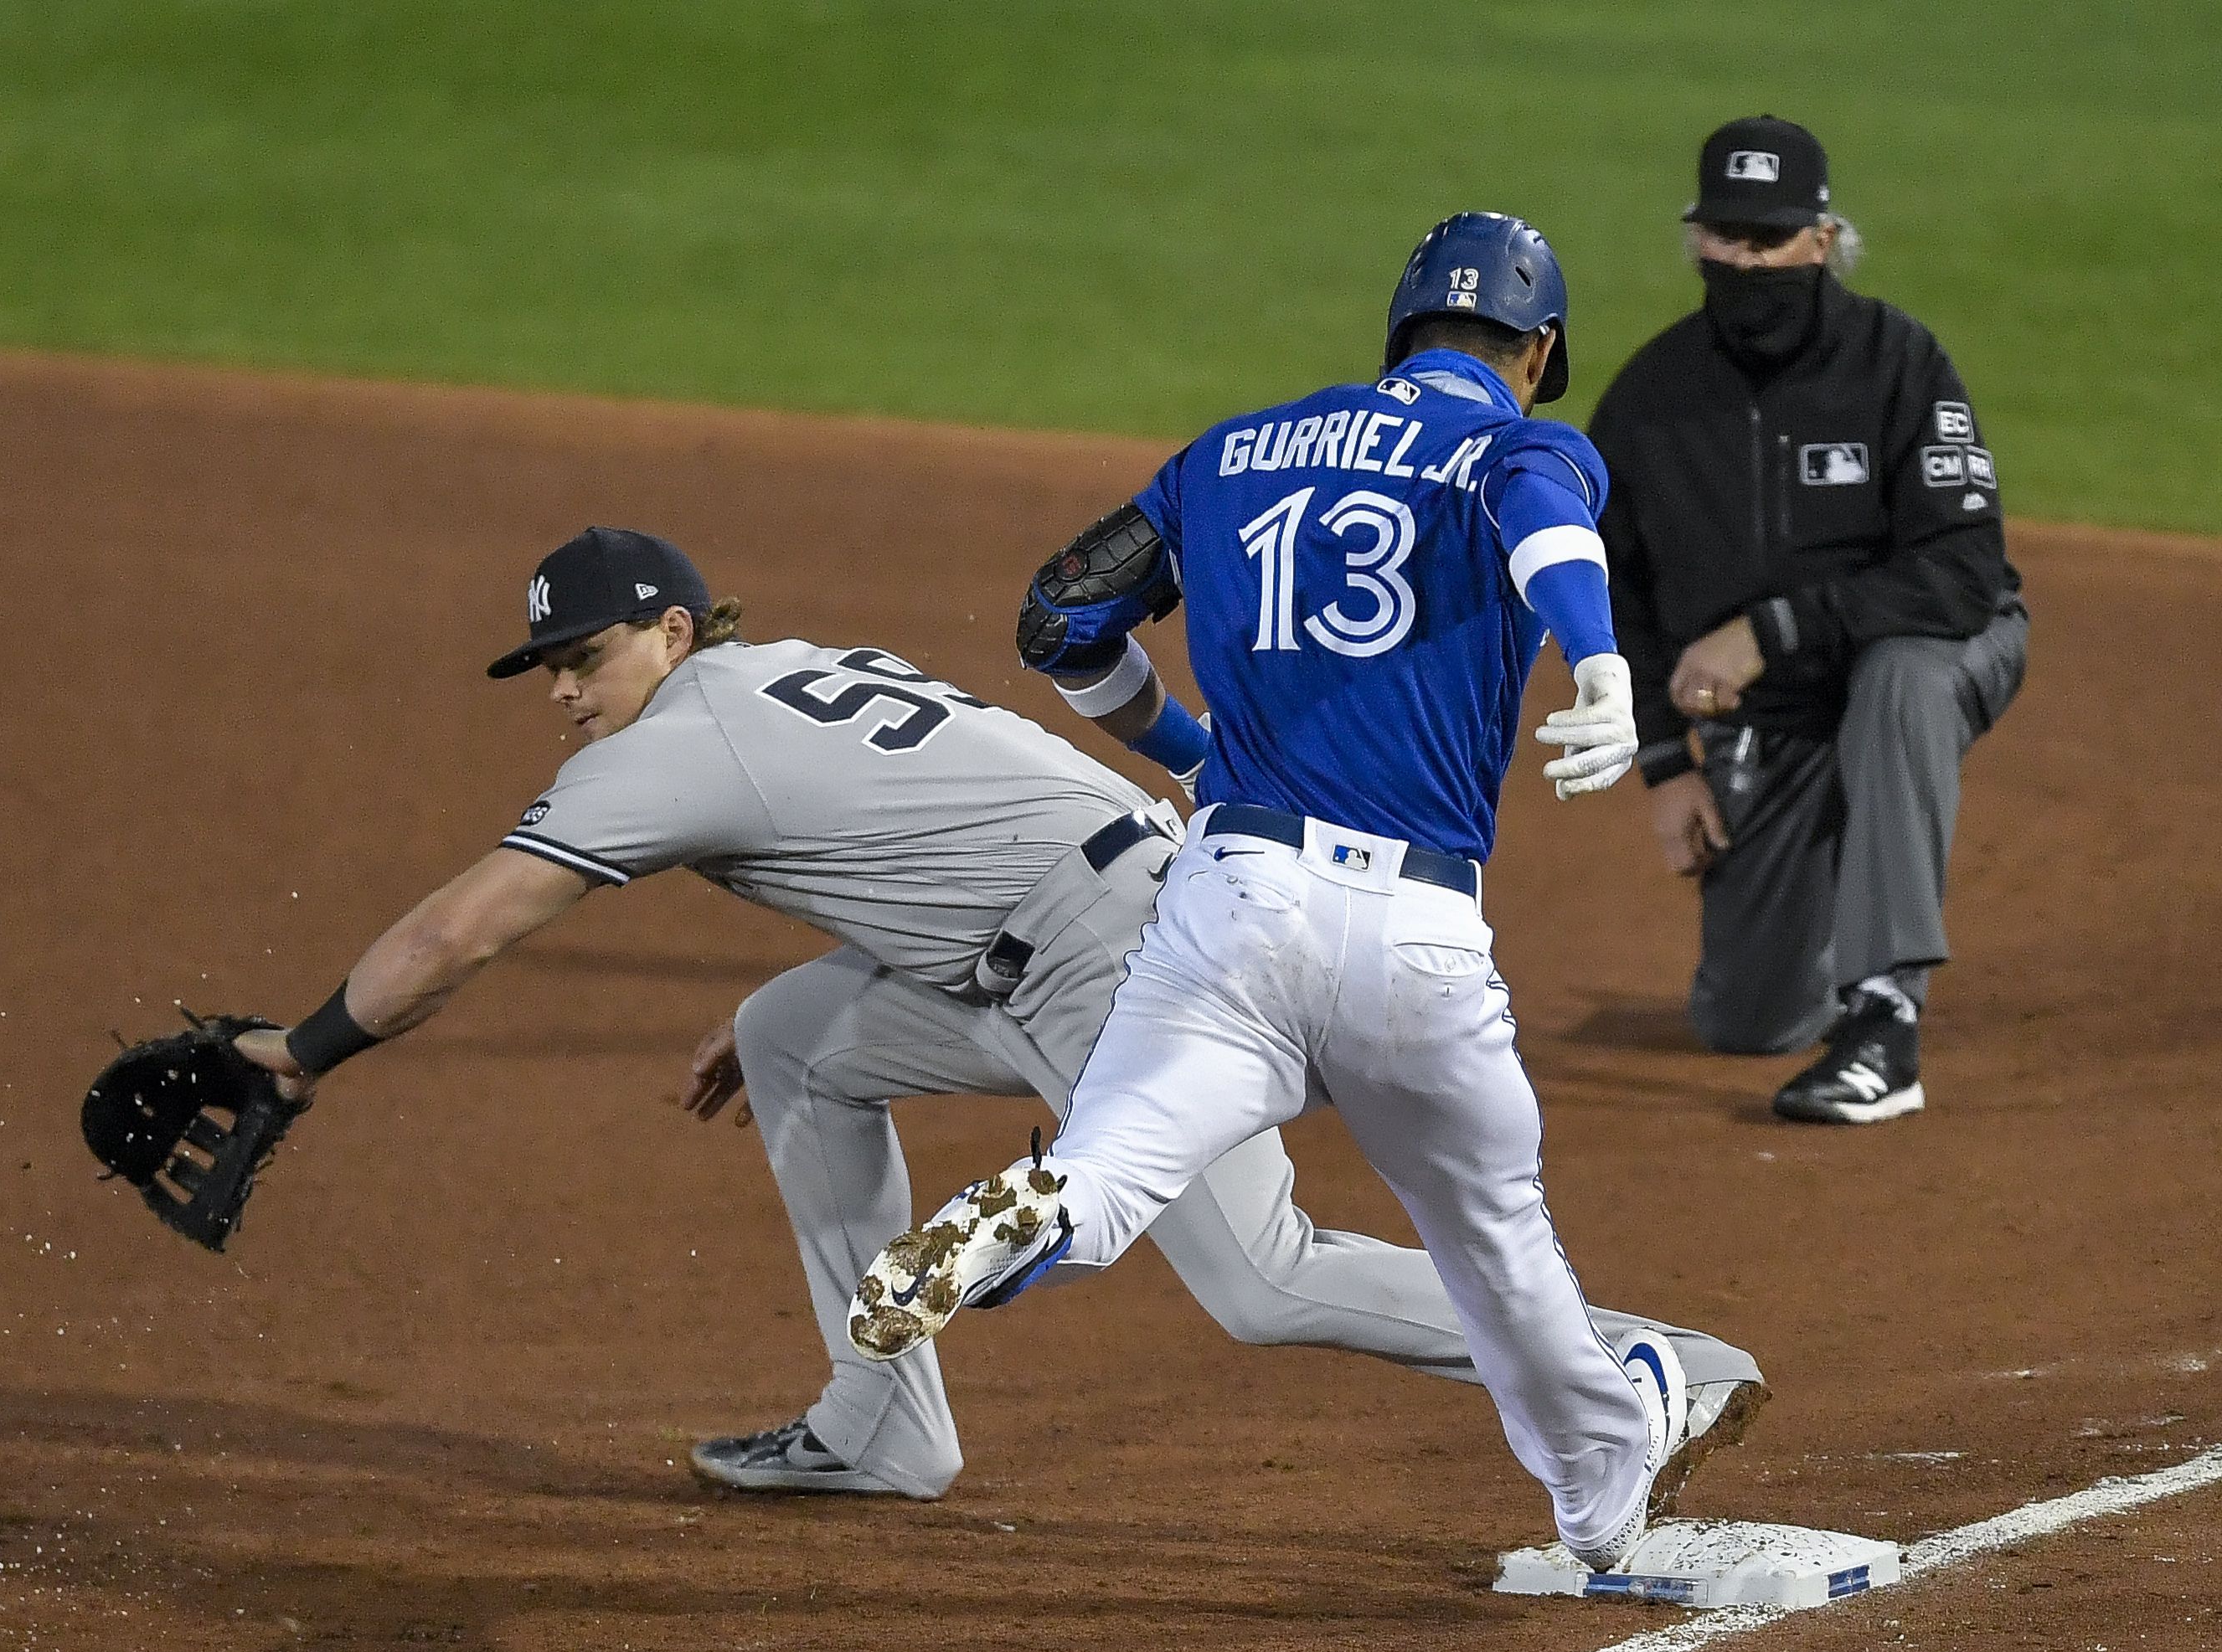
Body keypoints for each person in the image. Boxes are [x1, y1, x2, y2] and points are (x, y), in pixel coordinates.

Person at [240, 522, 1767, 1506]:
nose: (566, 695)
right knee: (786, 1041)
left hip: (1118, 964)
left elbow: (457, 932)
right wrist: (833, 984)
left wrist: (296, 1057)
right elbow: (922, 835)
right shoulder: (782, 672)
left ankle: (1642, 1362)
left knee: (1262, 1280)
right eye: (546, 673)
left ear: (676, 634)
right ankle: (877, 1421)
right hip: (1110, 910)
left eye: (585, 660)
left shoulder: (662, 750)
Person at [852, 214, 1700, 1572]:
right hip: (1416, 938)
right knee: (1492, 1241)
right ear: (1536, 351)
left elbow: (1058, 616)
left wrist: (1190, 749)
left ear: (1394, 333)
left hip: (1232, 900)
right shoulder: (1523, 444)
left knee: (1111, 1166)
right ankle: (1598, 1506)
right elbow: (1546, 530)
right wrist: (1600, 669)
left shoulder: (1229, 456)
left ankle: (1022, 1215)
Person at [1590, 116, 2027, 1122]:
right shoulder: (1648, 401)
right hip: (1780, 721)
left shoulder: (1897, 363)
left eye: (1770, 240)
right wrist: (1664, 764)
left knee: (1897, 679)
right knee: (1746, 1019)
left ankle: (1884, 1017)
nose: (1746, 262)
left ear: (1822, 241)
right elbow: (1613, 590)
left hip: (1940, 654)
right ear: (1696, 240)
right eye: (1726, 239)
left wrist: (1771, 630)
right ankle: (1837, 910)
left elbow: (1964, 571)